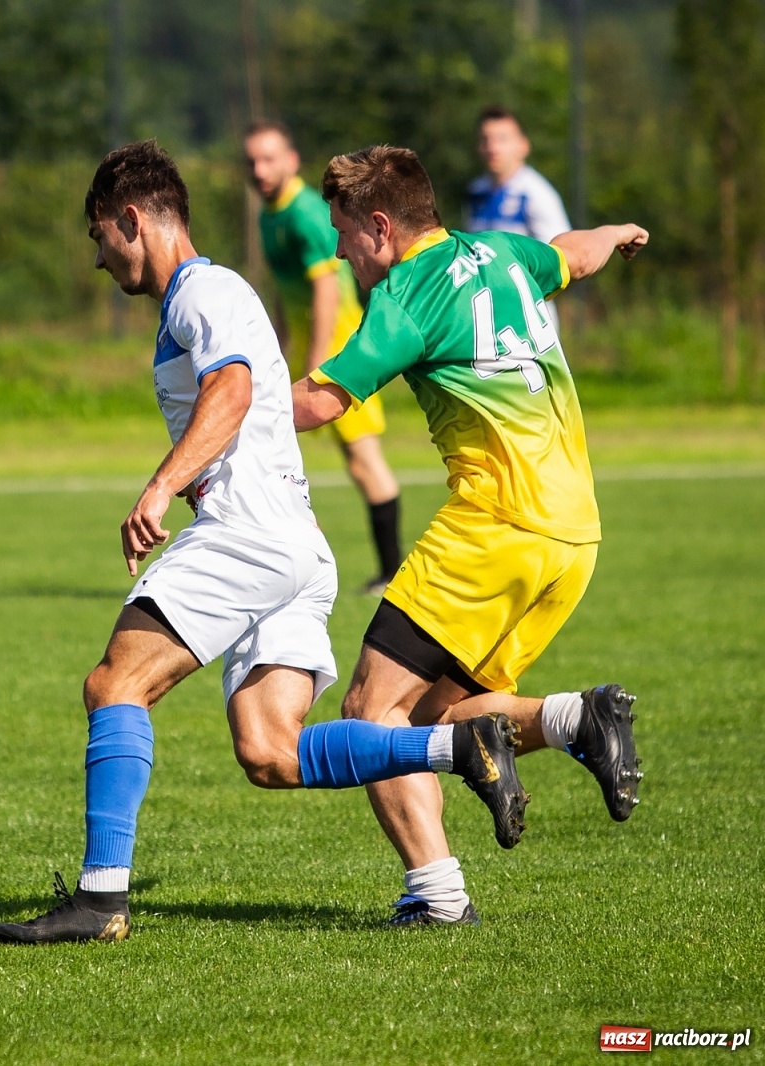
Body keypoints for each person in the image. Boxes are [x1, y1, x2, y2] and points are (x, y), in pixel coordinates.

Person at [0, 141, 529, 946]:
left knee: (114, 686)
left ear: (132, 220)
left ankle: (101, 902)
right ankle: (462, 746)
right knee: (270, 750)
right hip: (296, 546)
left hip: (247, 533)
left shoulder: (198, 294)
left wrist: (164, 482)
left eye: (99, 235)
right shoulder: (213, 295)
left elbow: (232, 388)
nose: (99, 259)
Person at [291, 145, 647, 926]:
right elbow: (572, 256)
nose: (343, 251)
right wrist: (616, 229)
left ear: (380, 227)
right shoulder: (502, 252)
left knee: (368, 713)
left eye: (344, 234)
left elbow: (321, 401)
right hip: (574, 538)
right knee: (435, 719)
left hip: (494, 527)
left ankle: (439, 900)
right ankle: (576, 718)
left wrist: (218, 417)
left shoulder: (407, 294)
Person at [245, 121, 403, 594]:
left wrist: (316, 362)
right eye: (251, 160)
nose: (259, 169)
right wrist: (275, 341)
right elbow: (286, 290)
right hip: (312, 345)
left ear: (291, 161)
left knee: (364, 458)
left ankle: (393, 573)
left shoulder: (304, 214)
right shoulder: (270, 214)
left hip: (337, 347)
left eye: (269, 158)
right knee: (327, 457)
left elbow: (326, 287)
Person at [466, 106, 571, 242]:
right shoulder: (476, 190)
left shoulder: (536, 194)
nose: (492, 148)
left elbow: (559, 253)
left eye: (502, 139)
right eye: (485, 139)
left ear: (523, 146)